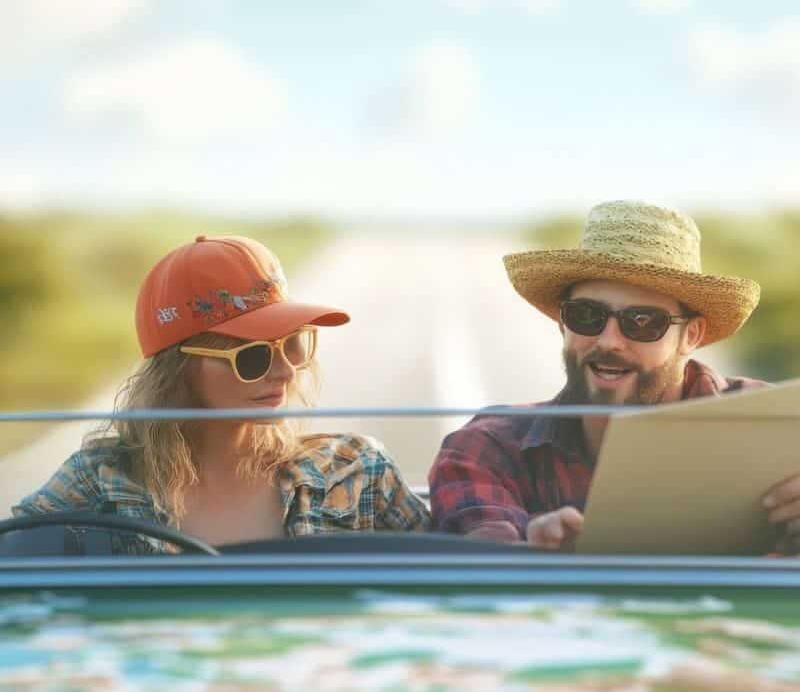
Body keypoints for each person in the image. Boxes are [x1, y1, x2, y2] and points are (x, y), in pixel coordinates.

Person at [14, 234, 430, 552]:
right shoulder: (98, 482)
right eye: (253, 358)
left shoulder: (356, 471)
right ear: (177, 372)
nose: (285, 371)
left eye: (294, 343)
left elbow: (459, 595)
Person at [429, 200, 800, 554]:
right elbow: (486, 568)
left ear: (692, 335)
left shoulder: (781, 428)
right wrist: (531, 552)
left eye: (642, 322)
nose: (608, 341)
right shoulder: (487, 448)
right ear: (563, 323)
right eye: (586, 315)